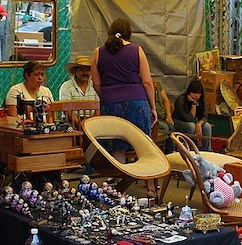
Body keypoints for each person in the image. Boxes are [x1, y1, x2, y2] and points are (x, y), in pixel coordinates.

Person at [91, 18, 159, 200]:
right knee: (144, 145)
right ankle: (150, 188)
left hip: (110, 104)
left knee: (118, 147)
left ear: (110, 31)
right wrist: (152, 107)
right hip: (136, 102)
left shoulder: (98, 53)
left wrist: (108, 97)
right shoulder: (137, 50)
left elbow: (96, 83)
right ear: (129, 33)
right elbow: (147, 81)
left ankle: (120, 190)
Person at [58, 55, 99, 129]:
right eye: (82, 70)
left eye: (88, 70)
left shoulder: (95, 85)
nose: (85, 73)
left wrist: (91, 124)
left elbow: (98, 108)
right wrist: (80, 124)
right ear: (75, 71)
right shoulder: (66, 87)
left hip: (92, 121)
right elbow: (66, 110)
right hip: (71, 122)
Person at [173, 79, 212, 151]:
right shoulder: (181, 100)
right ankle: (192, 148)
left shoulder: (201, 100)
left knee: (207, 126)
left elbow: (205, 116)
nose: (196, 95)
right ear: (189, 92)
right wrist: (194, 104)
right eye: (194, 93)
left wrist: (199, 124)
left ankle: (206, 149)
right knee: (191, 126)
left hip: (194, 122)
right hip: (178, 122)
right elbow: (189, 118)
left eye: (198, 93)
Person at [153, 79, 175, 153]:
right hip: (153, 117)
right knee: (165, 127)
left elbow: (166, 100)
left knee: (171, 126)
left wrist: (169, 115)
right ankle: (168, 151)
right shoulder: (144, 87)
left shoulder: (158, 85)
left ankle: (171, 151)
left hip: (162, 115)